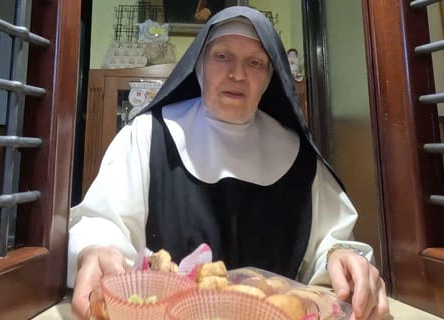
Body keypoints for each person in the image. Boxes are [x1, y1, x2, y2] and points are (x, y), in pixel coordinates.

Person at [68, 6, 388, 320]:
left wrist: (342, 257)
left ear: (270, 77)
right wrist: (97, 248)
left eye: (255, 62)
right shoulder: (148, 135)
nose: (237, 74)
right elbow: (104, 221)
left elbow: (331, 244)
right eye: (222, 57)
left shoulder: (299, 157)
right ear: (199, 65)